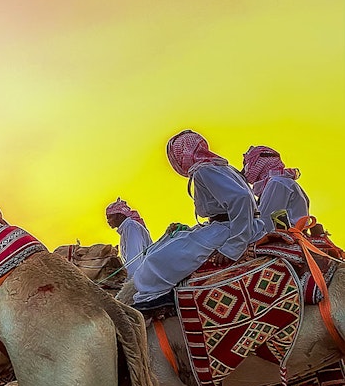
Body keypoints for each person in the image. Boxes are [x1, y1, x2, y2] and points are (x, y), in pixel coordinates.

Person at [131, 130, 262, 312]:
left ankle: (155, 297)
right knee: (169, 243)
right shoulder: (221, 167)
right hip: (232, 224)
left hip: (229, 228)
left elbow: (241, 199)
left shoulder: (204, 170)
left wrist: (233, 247)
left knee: (156, 259)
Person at [242, 145, 309, 235]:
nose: (246, 168)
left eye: (248, 163)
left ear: (258, 163)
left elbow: (266, 220)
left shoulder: (277, 183)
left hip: (288, 235)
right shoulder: (280, 181)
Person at [105, 198, 153, 279]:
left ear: (119, 215)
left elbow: (134, 259)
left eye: (110, 217)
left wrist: (129, 282)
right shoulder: (127, 229)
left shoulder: (131, 226)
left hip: (143, 278)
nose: (108, 221)